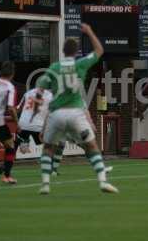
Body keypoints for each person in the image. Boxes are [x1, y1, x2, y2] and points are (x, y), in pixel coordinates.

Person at [36, 23, 118, 195]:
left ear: (63, 51)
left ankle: (45, 184)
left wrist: (38, 99)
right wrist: (89, 31)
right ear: (75, 51)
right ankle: (102, 181)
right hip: (75, 112)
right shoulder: (80, 64)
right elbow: (99, 50)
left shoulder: (54, 67)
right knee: (92, 145)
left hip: (56, 113)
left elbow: (40, 87)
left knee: (48, 148)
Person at [0, 87, 53, 175]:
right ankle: (48, 167)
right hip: (38, 125)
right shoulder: (50, 96)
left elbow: (17, 108)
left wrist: (16, 121)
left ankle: (5, 165)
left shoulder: (28, 93)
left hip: (23, 124)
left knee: (14, 145)